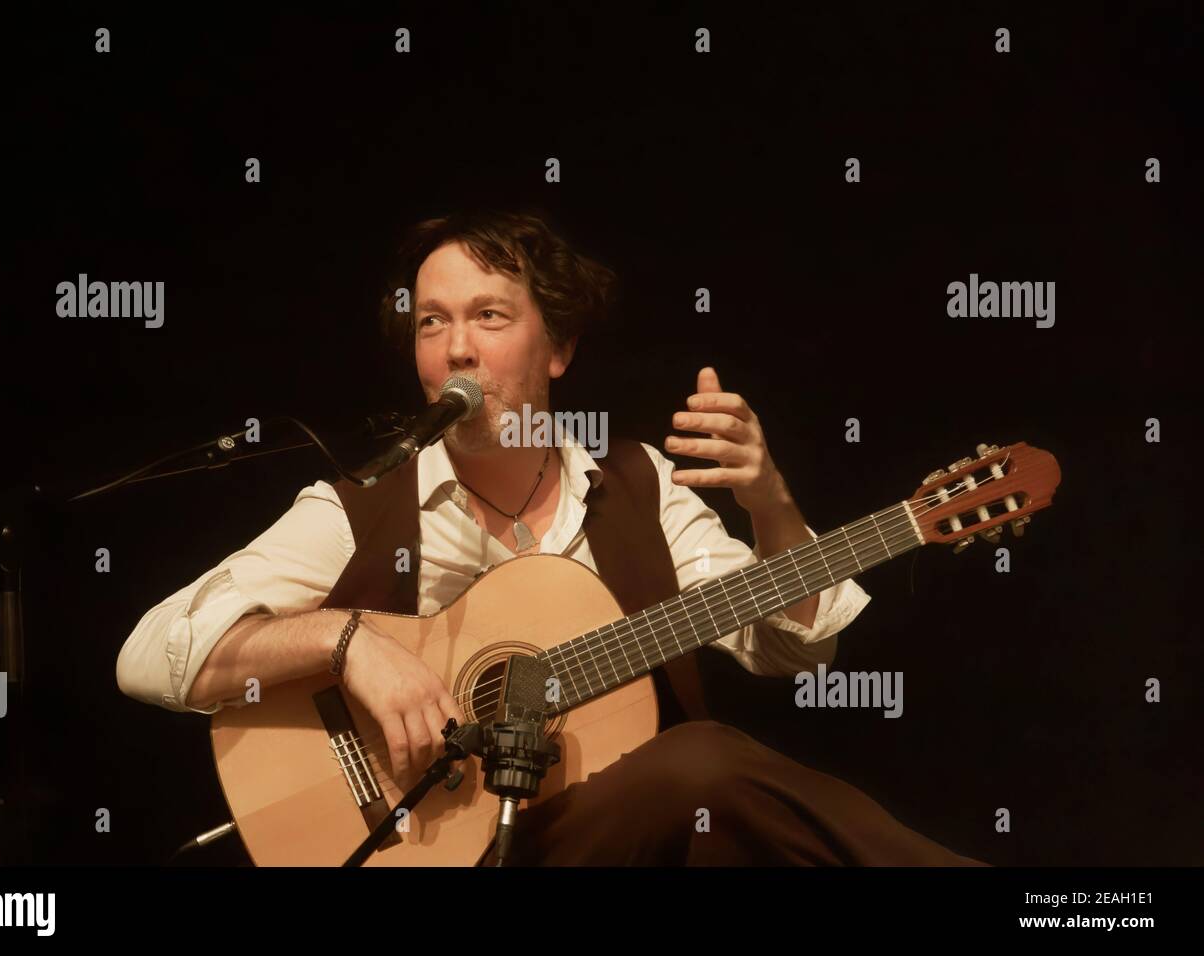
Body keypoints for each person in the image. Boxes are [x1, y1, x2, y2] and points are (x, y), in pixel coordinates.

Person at [116, 209, 986, 866]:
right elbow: (151, 652)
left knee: (702, 772)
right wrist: (346, 645)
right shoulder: (360, 506)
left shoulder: (637, 486)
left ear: (559, 346)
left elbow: (796, 646)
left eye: (490, 316)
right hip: (421, 850)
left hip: (603, 844)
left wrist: (770, 503)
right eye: (431, 321)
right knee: (704, 765)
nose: (457, 347)